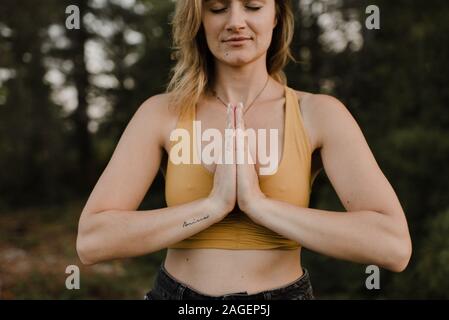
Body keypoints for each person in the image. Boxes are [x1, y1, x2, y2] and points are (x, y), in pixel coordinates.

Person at [76, 0, 412, 300]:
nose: (235, 21)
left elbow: (393, 246)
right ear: (199, 18)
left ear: (277, 15)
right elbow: (93, 241)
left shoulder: (319, 113)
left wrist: (258, 205)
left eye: (252, 6)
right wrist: (212, 206)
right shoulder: (161, 113)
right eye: (218, 8)